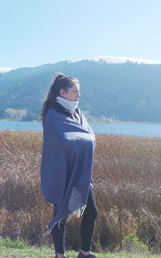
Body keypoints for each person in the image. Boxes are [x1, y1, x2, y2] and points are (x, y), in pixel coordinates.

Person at [40, 74, 98, 258]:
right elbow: (60, 140)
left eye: (79, 92)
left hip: (81, 171)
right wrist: (81, 141)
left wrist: (83, 142)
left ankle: (84, 252)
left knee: (92, 212)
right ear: (62, 92)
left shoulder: (77, 113)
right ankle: (60, 255)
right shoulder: (52, 113)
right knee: (60, 215)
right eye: (75, 91)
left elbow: (88, 136)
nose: (78, 95)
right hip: (62, 172)